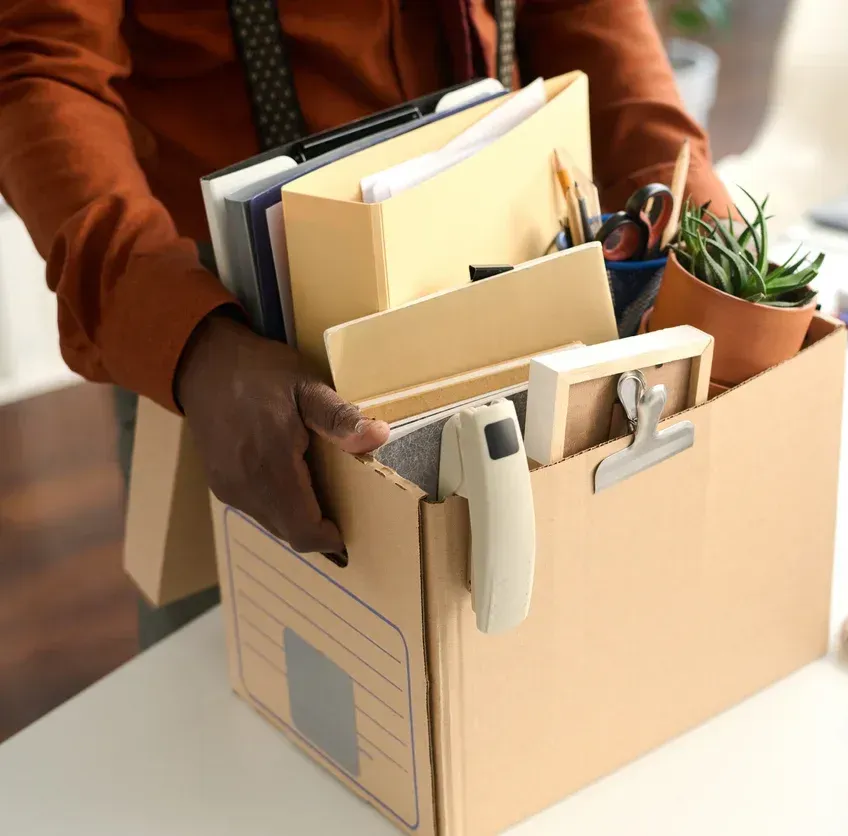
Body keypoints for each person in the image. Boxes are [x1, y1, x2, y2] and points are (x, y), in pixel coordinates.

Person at [0, 1, 733, 645]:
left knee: (524, 669)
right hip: (237, 365)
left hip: (512, 269)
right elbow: (38, 67)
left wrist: (700, 225)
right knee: (234, 710)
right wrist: (184, 336)